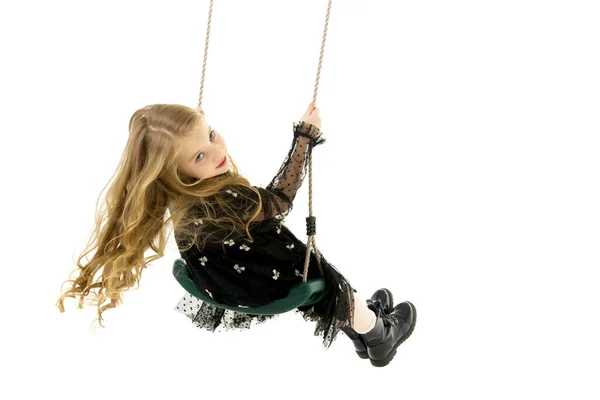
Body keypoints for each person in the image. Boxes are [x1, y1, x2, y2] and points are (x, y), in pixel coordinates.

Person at [57, 102, 416, 367]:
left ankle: (358, 327)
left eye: (211, 135)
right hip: (263, 280)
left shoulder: (176, 192)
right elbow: (279, 198)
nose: (217, 152)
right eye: (200, 155)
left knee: (327, 282)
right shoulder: (227, 200)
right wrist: (303, 139)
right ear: (174, 171)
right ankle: (378, 335)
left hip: (227, 276)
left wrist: (193, 140)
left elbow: (191, 155)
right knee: (328, 279)